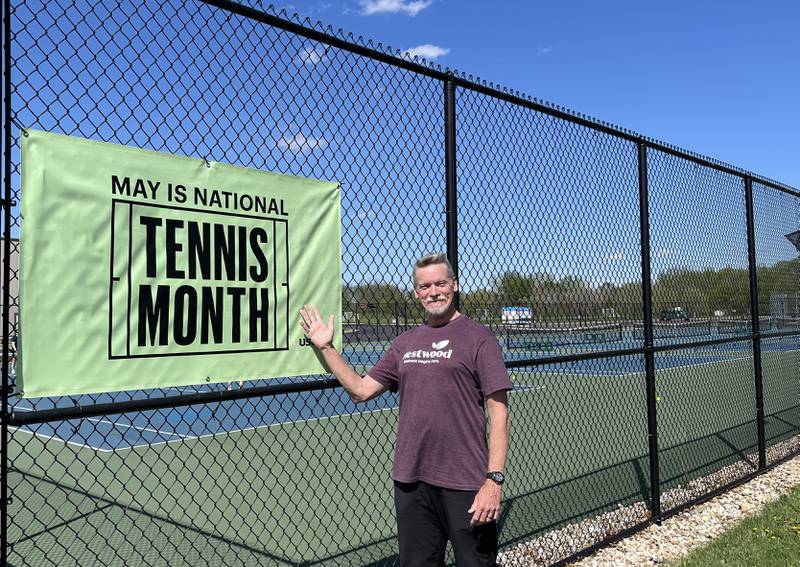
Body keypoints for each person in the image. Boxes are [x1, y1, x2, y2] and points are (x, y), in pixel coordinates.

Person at [299, 253, 511, 566]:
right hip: (412, 482)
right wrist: (326, 347)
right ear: (416, 293)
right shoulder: (404, 344)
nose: (434, 291)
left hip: (466, 483)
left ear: (454, 285)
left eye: (440, 283)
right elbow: (360, 390)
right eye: (425, 286)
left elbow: (499, 415)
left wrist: (493, 482)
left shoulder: (480, 339)